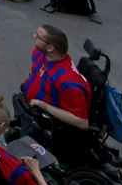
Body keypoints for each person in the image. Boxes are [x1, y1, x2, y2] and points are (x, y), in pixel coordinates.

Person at [20, 24, 92, 163]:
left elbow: (82, 122)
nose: (34, 37)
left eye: (38, 36)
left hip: (46, 121)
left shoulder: (68, 82)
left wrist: (44, 106)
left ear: (51, 47)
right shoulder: (41, 54)